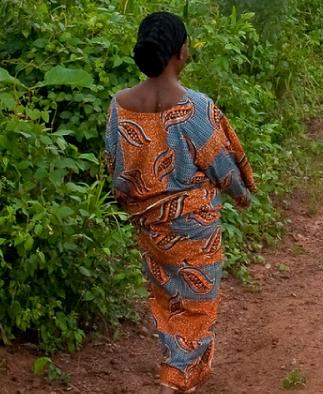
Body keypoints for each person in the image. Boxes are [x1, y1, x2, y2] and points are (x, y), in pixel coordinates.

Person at [102, 11, 257, 393]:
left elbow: (114, 167)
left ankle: (177, 366)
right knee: (197, 305)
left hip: (150, 227)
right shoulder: (197, 108)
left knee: (167, 298)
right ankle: (176, 380)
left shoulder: (119, 106)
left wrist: (136, 205)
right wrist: (242, 195)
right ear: (179, 52)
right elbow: (222, 165)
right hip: (196, 228)